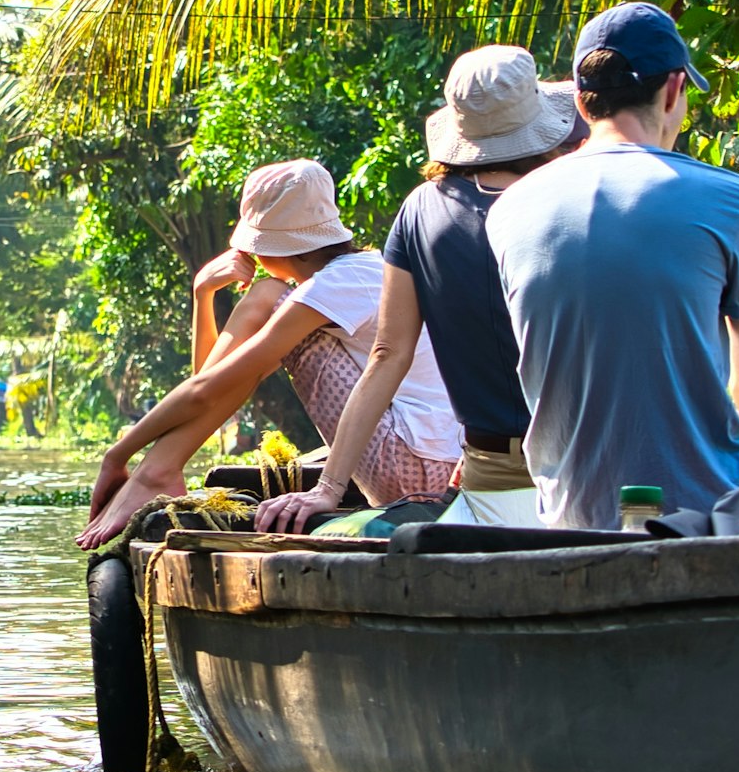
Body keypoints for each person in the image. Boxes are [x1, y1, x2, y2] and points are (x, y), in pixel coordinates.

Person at [487, 5, 739, 533]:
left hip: (570, 521)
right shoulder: (734, 202)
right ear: (674, 90)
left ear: (582, 103)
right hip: (703, 520)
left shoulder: (510, 210)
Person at [270, 47, 587, 535]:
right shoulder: (572, 199)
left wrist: (328, 489)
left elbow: (386, 356)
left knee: (352, 533)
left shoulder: (422, 210)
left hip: (491, 480)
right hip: (586, 470)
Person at [76, 161, 463, 548]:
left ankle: (157, 471)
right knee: (264, 304)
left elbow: (207, 389)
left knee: (265, 296)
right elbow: (212, 381)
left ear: (274, 247)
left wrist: (118, 455)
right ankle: (159, 469)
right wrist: (203, 295)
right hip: (419, 462)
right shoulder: (350, 273)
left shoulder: (344, 280)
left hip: (414, 467)